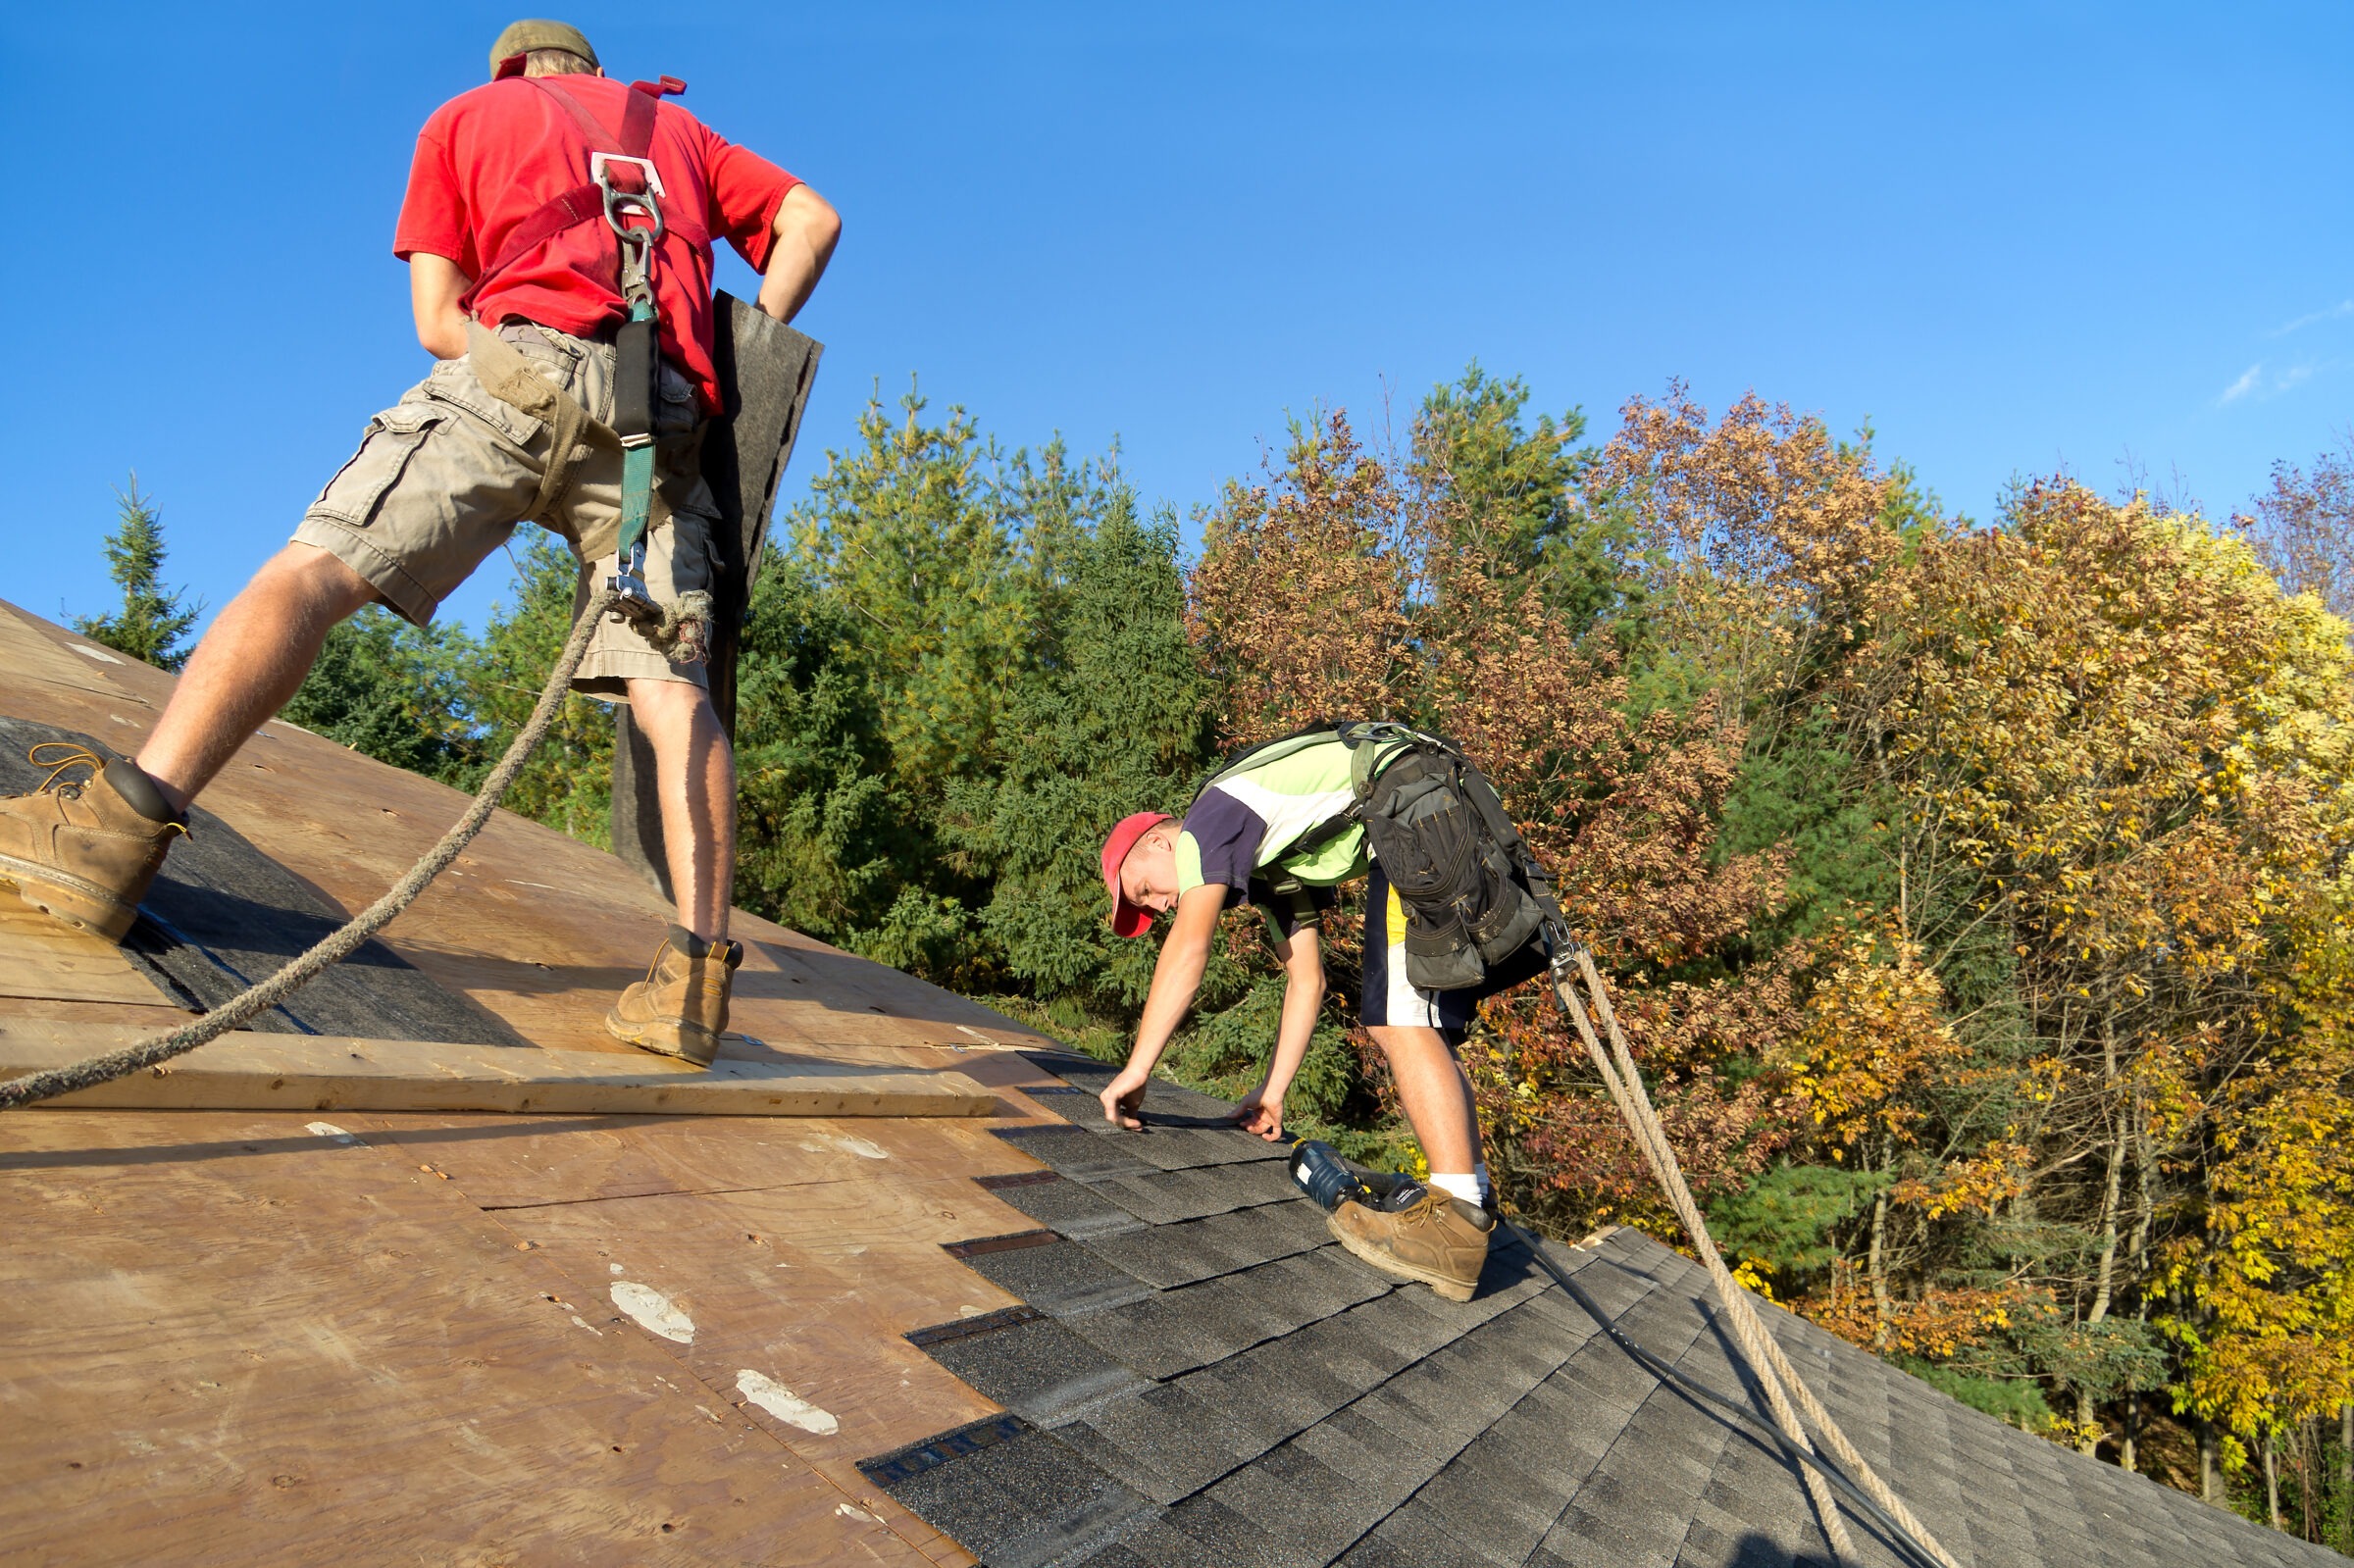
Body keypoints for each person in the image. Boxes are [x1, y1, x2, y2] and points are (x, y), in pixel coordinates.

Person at [0, 21, 839, 1069]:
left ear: (513, 72)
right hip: (657, 432)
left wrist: (529, 362)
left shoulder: (466, 118)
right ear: (594, 73)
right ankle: (694, 984)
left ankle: (112, 832)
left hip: (517, 378)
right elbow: (814, 216)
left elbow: (440, 322)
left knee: (313, 574)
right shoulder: (683, 136)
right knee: (676, 692)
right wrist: (745, 333)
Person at [1096, 728, 1551, 1302]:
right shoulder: (1269, 862)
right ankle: (1474, 1196)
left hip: (1409, 808)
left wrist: (1138, 1069)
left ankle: (1455, 1218)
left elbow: (1190, 945)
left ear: (1160, 845)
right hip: (1425, 809)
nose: (1161, 906)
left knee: (1397, 1020)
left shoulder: (1209, 819)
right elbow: (1306, 979)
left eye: (1145, 891)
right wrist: (1273, 1092)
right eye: (1151, 908)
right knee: (1417, 1024)